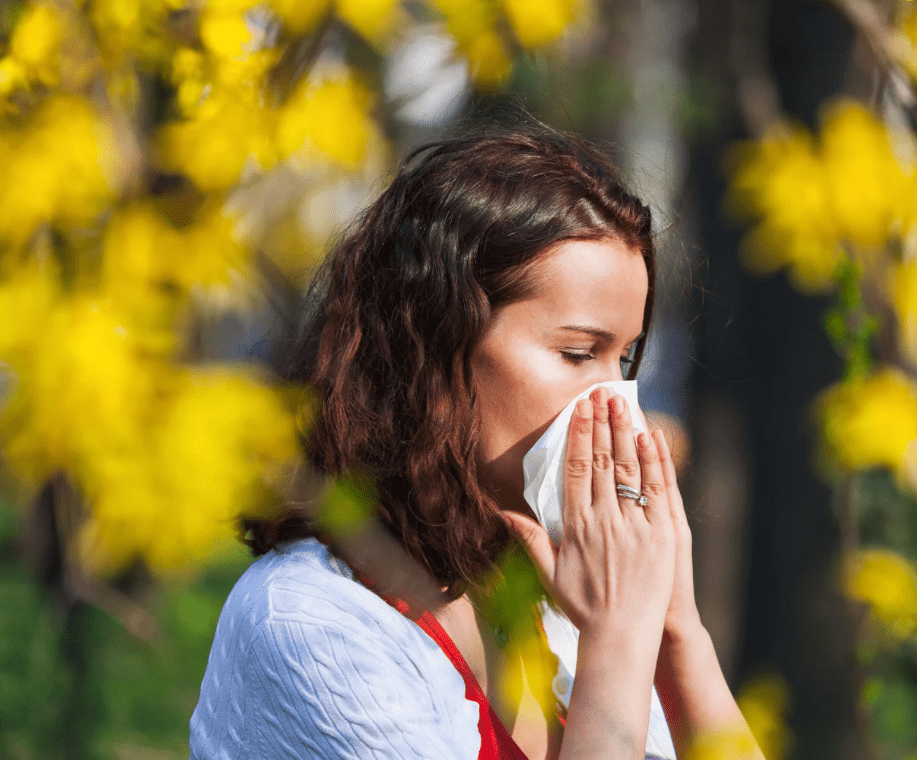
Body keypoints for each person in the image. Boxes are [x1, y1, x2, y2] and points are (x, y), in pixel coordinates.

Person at [189, 114, 764, 760]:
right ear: (437, 345)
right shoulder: (311, 624)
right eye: (578, 354)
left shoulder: (556, 607)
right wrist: (618, 641)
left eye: (624, 361)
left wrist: (674, 631)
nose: (618, 410)